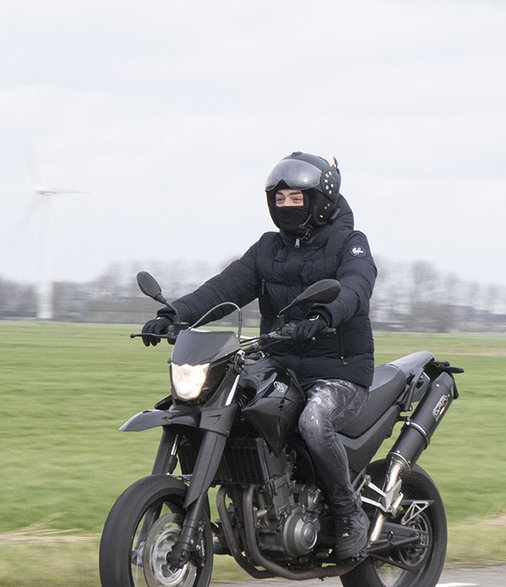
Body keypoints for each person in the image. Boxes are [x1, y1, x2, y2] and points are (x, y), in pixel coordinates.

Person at [141, 151, 378, 560]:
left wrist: (324, 315)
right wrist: (173, 314)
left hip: (337, 370)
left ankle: (348, 511)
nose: (286, 206)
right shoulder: (268, 249)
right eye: (279, 199)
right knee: (222, 400)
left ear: (321, 201)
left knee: (314, 419)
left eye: (296, 198)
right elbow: (223, 289)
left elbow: (355, 287)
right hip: (281, 363)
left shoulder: (350, 245)